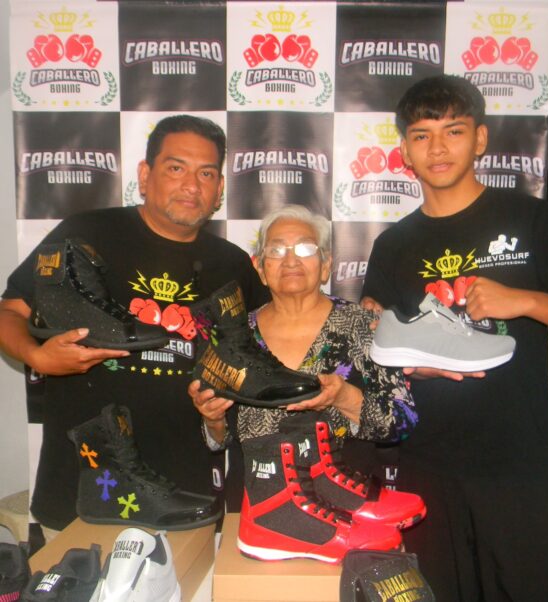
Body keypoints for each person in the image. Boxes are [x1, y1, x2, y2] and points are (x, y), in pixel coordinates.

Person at [360, 75, 548, 602]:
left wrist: (526, 300)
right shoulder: (392, 245)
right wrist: (407, 366)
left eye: (454, 131)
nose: (438, 148)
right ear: (405, 152)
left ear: (480, 139)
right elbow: (374, 349)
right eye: (421, 135)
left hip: (520, 473)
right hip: (425, 473)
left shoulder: (530, 219)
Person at [0, 115, 269, 533]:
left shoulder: (233, 265)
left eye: (206, 173)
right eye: (176, 168)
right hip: (84, 488)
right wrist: (38, 357)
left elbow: (259, 358)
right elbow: (10, 311)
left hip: (185, 491)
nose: (192, 185)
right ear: (145, 175)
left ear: (219, 190)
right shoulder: (85, 233)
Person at [189, 204, 418, 509]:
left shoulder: (365, 325)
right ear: (260, 268)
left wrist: (344, 397)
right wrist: (213, 419)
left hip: (345, 506)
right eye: (276, 250)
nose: (291, 260)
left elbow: (403, 421)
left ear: (326, 265)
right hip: (258, 506)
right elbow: (219, 440)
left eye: (305, 248)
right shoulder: (235, 335)